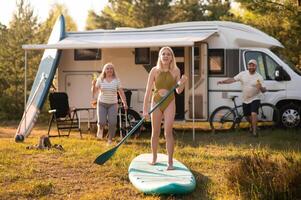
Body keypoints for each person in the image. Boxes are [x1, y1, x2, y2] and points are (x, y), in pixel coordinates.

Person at [143, 47, 187, 170]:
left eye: (168, 54)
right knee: (155, 131)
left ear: (172, 57)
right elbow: (147, 91)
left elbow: (178, 91)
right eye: (163, 54)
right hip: (156, 102)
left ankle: (170, 161)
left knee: (168, 132)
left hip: (169, 102)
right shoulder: (154, 70)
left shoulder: (176, 71)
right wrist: (145, 110)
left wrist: (183, 82)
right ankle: (154, 157)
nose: (166, 56)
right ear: (160, 56)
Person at [217, 59, 266, 136]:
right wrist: (223, 81)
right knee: (246, 116)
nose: (251, 67)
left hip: (255, 98)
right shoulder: (243, 74)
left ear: (256, 67)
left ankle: (254, 132)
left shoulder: (259, 77)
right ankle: (252, 126)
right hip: (245, 99)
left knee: (253, 113)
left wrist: (260, 88)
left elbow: (264, 90)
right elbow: (233, 79)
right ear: (248, 66)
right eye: (249, 65)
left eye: (253, 65)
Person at [91, 63, 128, 144]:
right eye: (107, 68)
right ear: (104, 70)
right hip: (102, 103)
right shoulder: (100, 79)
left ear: (113, 70)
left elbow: (121, 92)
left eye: (111, 68)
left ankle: (110, 139)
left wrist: (124, 103)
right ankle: (100, 129)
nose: (109, 70)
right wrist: (93, 85)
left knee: (113, 123)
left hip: (113, 104)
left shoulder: (116, 80)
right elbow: (94, 92)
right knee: (102, 122)